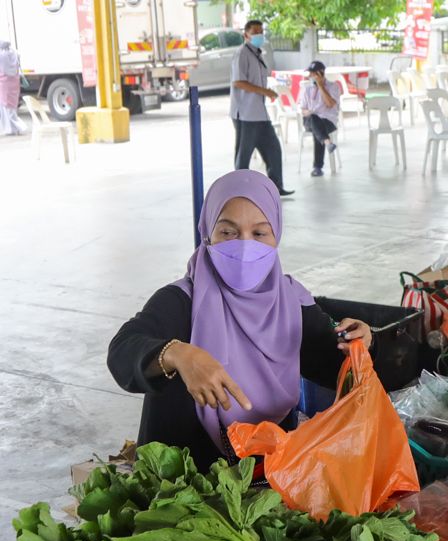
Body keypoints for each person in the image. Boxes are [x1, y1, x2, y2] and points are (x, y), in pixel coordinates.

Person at [108, 170, 371, 469]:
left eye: (259, 233)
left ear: (276, 237)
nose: (245, 245)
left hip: (266, 478)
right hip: (180, 484)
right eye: (228, 232)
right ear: (208, 234)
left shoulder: (291, 302)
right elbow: (122, 352)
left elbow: (330, 360)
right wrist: (177, 354)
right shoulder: (182, 300)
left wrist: (359, 342)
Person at [231, 21, 291, 196]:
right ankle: (239, 190)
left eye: (261, 31)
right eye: (255, 32)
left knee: (273, 148)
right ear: (246, 35)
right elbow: (239, 81)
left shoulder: (258, 54)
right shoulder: (242, 54)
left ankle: (276, 187)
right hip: (245, 113)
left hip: (259, 112)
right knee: (244, 155)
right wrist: (264, 91)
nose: (259, 35)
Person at [299, 60, 341, 177]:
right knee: (313, 118)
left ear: (321, 73)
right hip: (309, 119)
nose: (311, 76)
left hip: (328, 121)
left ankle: (317, 167)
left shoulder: (333, 86)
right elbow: (303, 109)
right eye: (310, 74)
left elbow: (330, 104)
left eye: (313, 74)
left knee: (318, 127)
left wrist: (321, 86)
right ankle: (328, 142)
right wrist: (309, 112)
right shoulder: (307, 89)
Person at [0, 41, 25, 136]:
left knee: (5, 108)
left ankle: (14, 128)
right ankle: (13, 129)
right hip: (14, 83)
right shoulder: (14, 54)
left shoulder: (2, 56)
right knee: (12, 108)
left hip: (4, 85)